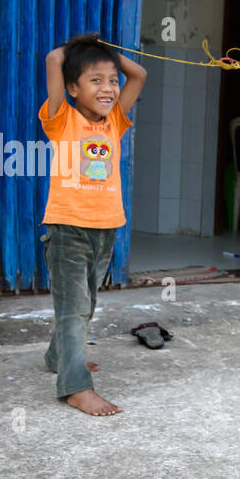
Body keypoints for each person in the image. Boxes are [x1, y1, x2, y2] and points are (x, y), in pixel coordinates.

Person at [39, 34, 146, 416]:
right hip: (67, 228)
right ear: (73, 88)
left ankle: (58, 355)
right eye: (95, 80)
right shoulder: (60, 118)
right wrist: (79, 45)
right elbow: (54, 56)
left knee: (85, 305)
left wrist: (107, 55)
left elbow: (140, 74)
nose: (108, 88)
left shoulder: (115, 122)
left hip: (106, 228)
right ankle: (75, 386)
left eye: (111, 80)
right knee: (73, 307)